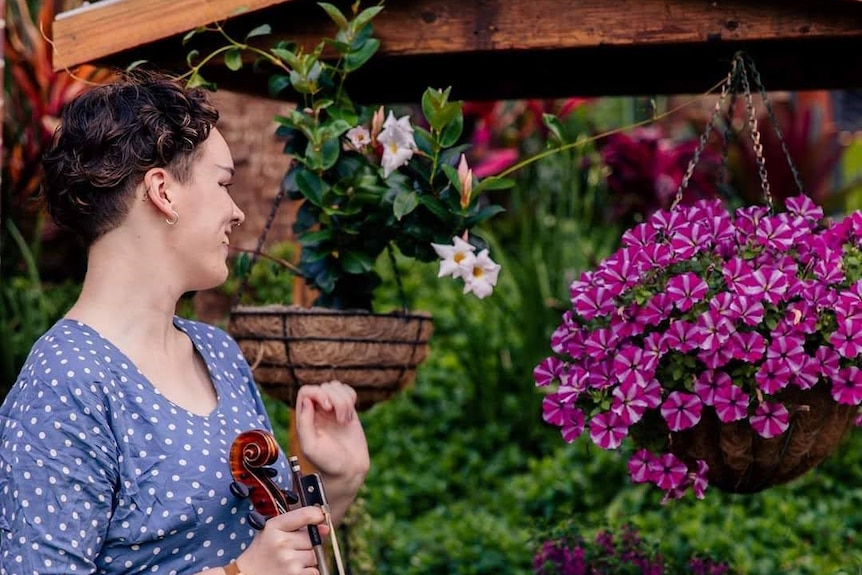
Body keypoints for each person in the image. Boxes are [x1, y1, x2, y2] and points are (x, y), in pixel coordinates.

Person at [0, 70, 370, 575]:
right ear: (163, 192)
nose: (237, 212)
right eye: (223, 184)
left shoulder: (218, 352)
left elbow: (279, 555)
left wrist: (337, 482)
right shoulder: (66, 382)